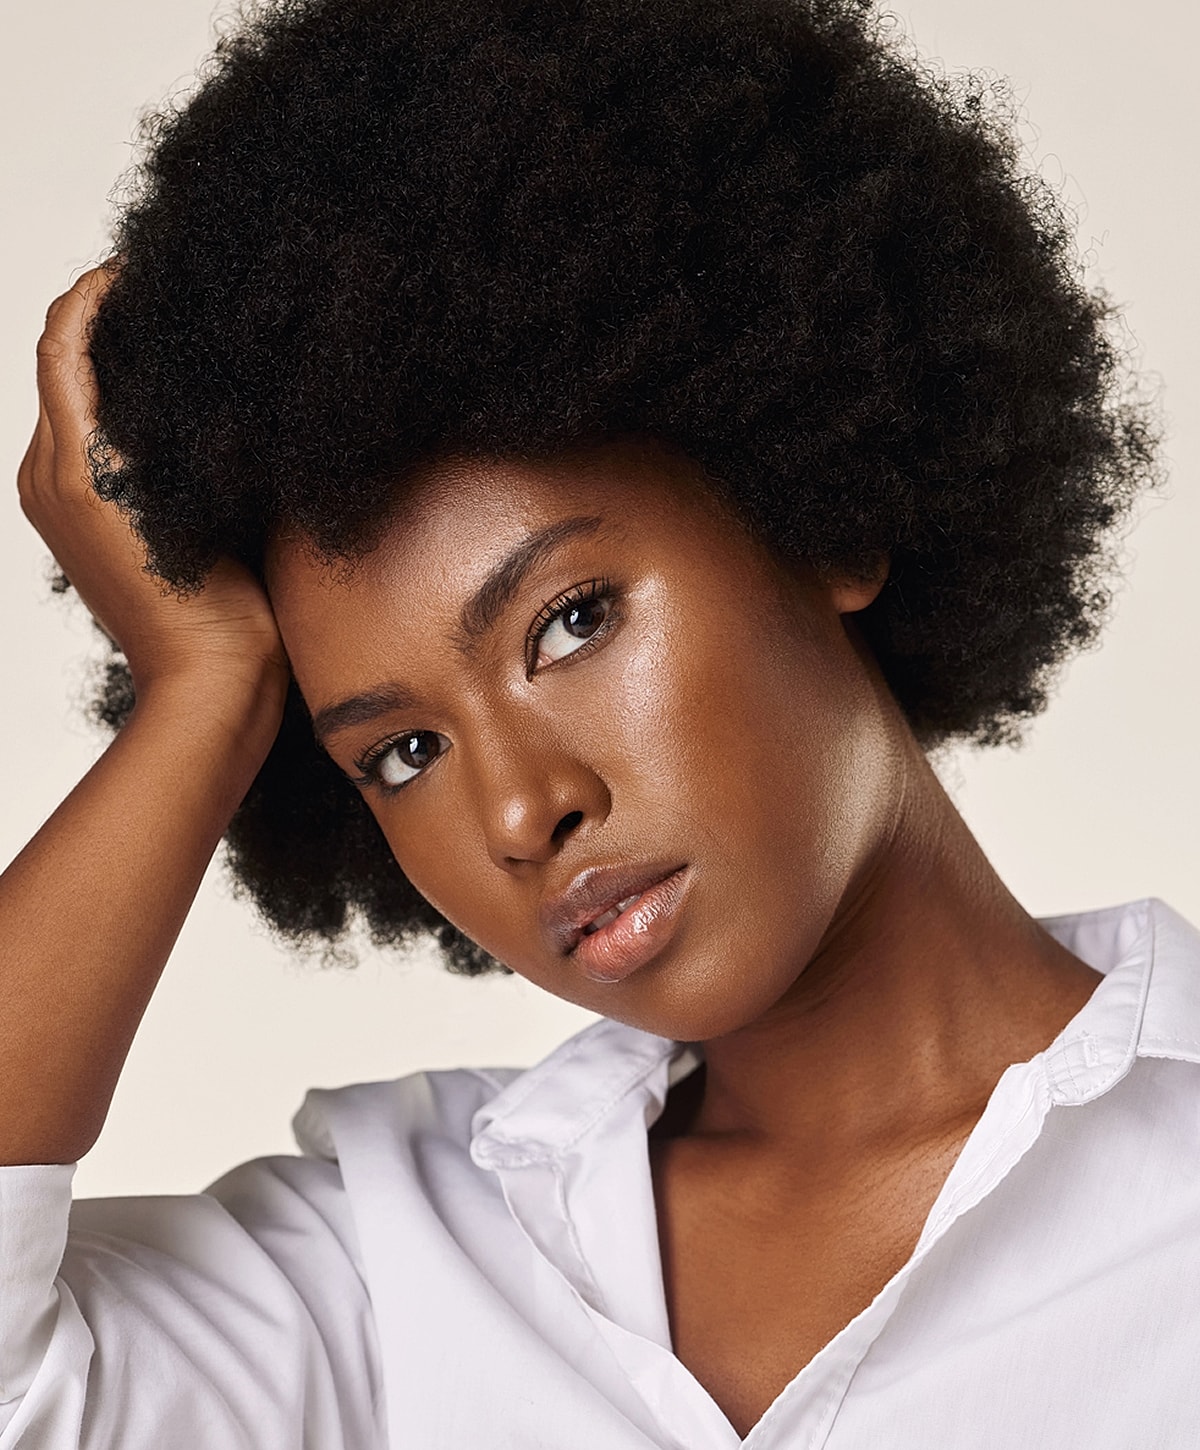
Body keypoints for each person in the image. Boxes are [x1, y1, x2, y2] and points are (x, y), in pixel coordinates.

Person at [2, 0, 1194, 1445]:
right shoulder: (400, 1262)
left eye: (570, 620)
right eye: (401, 751)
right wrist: (199, 692)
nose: (519, 809)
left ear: (826, 515)